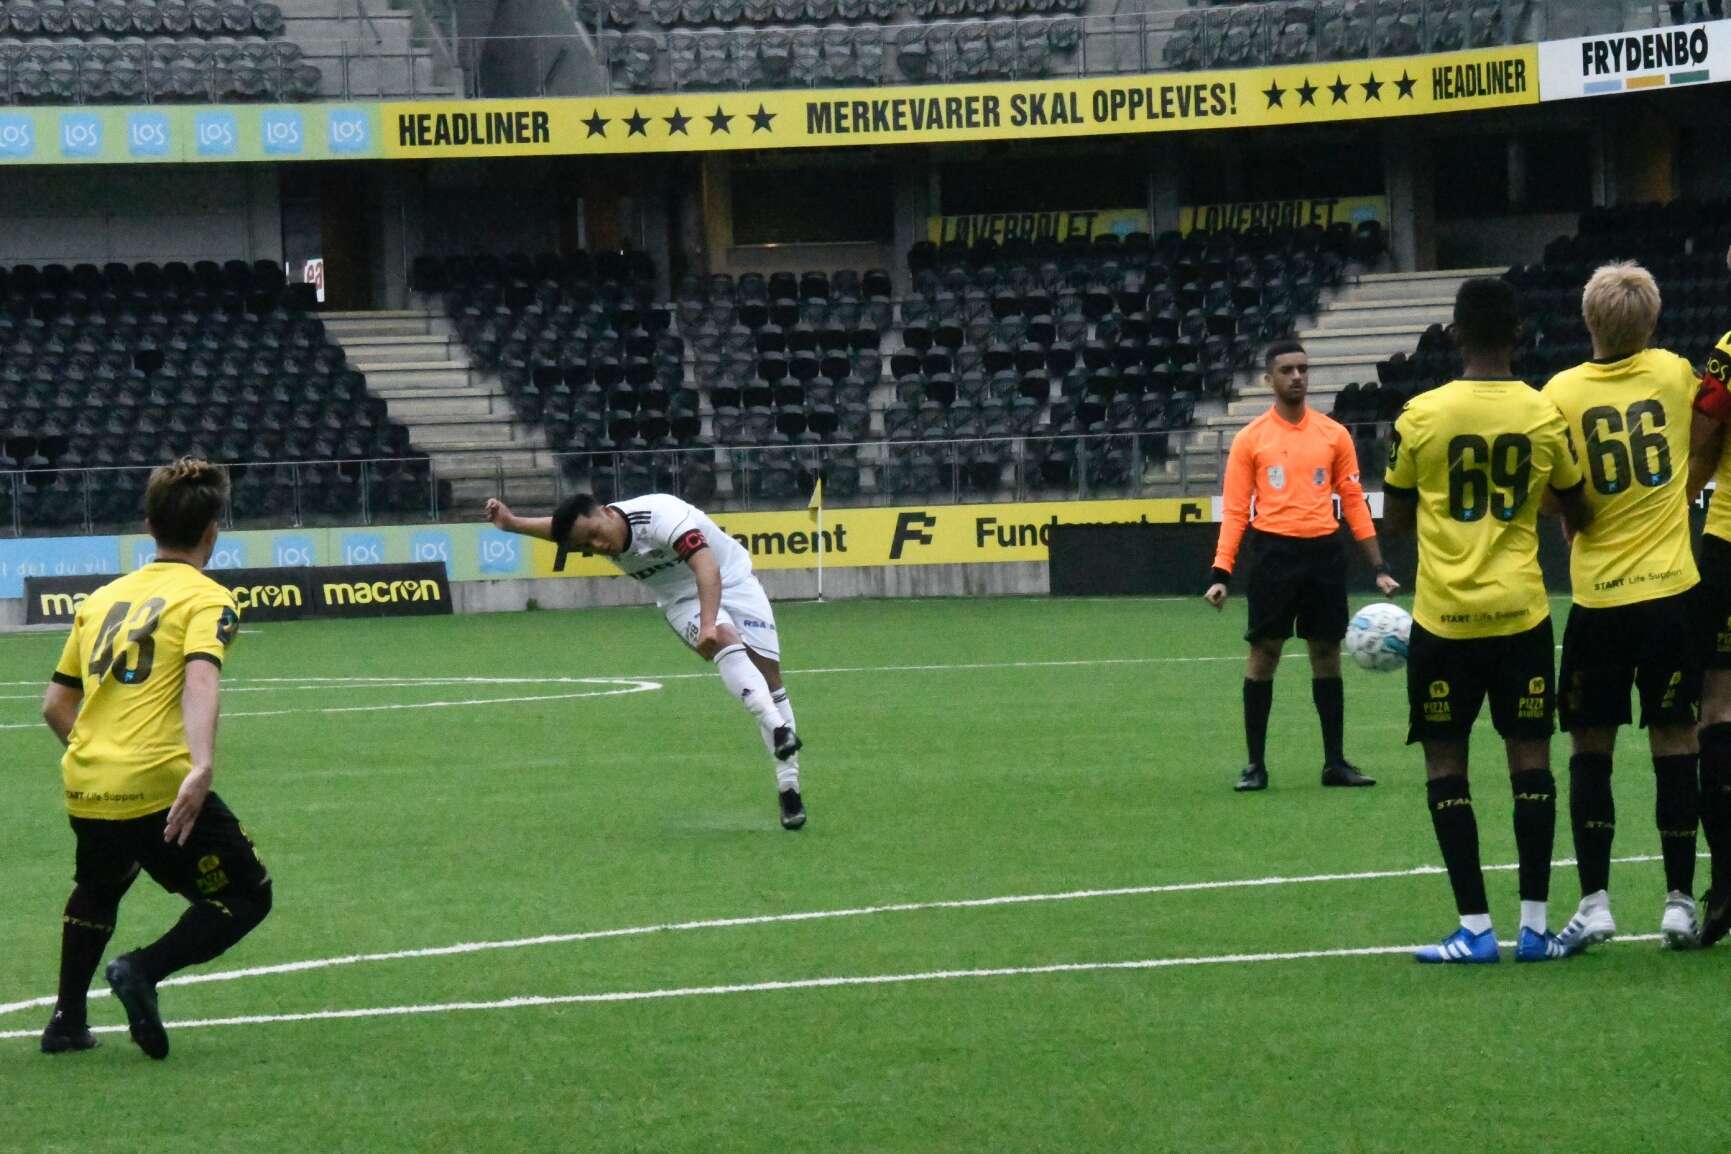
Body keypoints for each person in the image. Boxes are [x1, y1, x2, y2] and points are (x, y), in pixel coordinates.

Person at [1382, 277, 1591, 964]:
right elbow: (1574, 504)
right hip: (1520, 615)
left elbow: (1397, 517)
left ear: (1453, 335)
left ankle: (1473, 929)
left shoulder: (1420, 414)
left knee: (1446, 764)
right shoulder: (1541, 412)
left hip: (1443, 619)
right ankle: (1534, 927)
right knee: (1530, 762)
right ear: (1518, 335)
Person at [38, 458, 270, 1060]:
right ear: (213, 531)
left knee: (100, 886)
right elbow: (201, 678)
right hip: (158, 784)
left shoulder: (101, 599)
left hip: (87, 784)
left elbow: (56, 705)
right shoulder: (207, 599)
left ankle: (66, 1022)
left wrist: (101, 759)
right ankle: (141, 969)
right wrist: (201, 766)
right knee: (247, 894)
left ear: (149, 526)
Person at [1541, 261, 1703, 953]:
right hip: (1670, 593)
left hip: (1598, 597)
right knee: (1676, 741)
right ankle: (1677, 900)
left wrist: (1570, 514)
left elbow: (1551, 491)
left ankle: (1595, 902)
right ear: (1654, 319)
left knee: (1589, 749)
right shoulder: (1673, 373)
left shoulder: (1559, 392)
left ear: (1587, 320)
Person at [485, 492, 806, 830]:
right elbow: (560, 529)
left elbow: (706, 567)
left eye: (596, 535)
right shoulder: (588, 528)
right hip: (680, 600)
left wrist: (709, 622)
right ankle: (778, 729)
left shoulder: (659, 517)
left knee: (771, 681)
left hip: (731, 578)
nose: (598, 546)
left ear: (607, 512)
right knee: (726, 641)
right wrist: (511, 523)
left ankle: (789, 786)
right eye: (587, 546)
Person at [1205, 339, 1400, 792]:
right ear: (1268, 379)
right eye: (1287, 370)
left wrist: (1378, 566)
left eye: (1302, 369)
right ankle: (1255, 765)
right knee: (1264, 654)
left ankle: (1335, 763)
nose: (1297, 377)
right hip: (1274, 554)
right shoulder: (1251, 438)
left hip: (1324, 554)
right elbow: (1235, 510)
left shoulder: (1334, 434)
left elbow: (1353, 501)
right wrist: (1221, 573)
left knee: (1326, 654)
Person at [1681, 248, 1731, 946]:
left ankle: (1724, 884)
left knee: (1716, 707)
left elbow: (1702, 438)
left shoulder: (1726, 352)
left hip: (1729, 545)